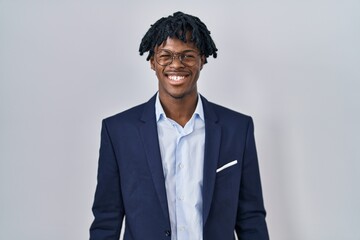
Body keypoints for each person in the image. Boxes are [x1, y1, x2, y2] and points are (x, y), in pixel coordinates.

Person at [90, 11, 269, 240]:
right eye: (166, 56)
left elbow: (250, 218)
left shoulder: (237, 129)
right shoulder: (118, 132)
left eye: (187, 56)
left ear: (202, 59)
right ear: (152, 62)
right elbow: (107, 219)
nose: (176, 65)